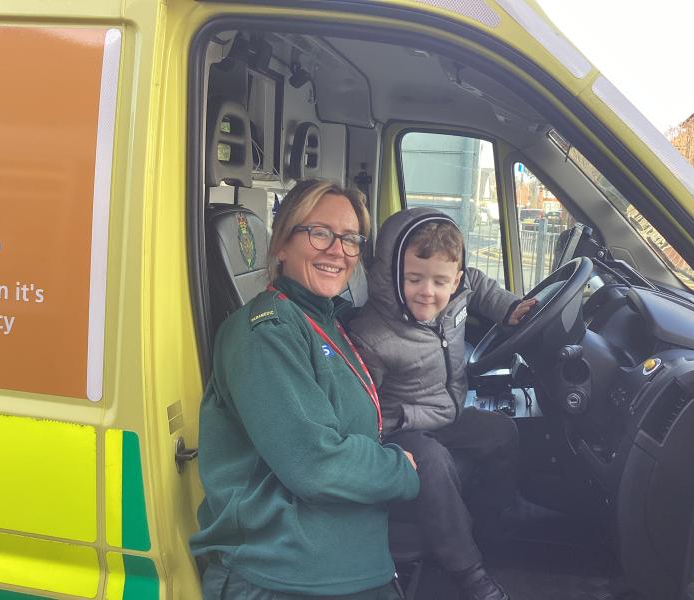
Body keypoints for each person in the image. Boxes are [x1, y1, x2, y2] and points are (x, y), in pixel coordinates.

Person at [191, 179, 420, 600]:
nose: (338, 250)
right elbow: (316, 466)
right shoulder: (265, 333)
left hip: (345, 564)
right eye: (320, 233)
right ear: (281, 245)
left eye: (350, 239)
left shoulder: (323, 319)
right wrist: (399, 469)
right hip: (285, 576)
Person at [349, 209, 537, 600]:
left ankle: (496, 521)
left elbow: (478, 284)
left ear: (454, 280)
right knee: (434, 463)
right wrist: (380, 446)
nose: (427, 292)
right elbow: (359, 408)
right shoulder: (373, 335)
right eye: (414, 278)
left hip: (443, 412)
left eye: (439, 281)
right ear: (392, 275)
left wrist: (509, 308)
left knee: (500, 431)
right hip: (397, 428)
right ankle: (467, 570)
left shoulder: (456, 294)